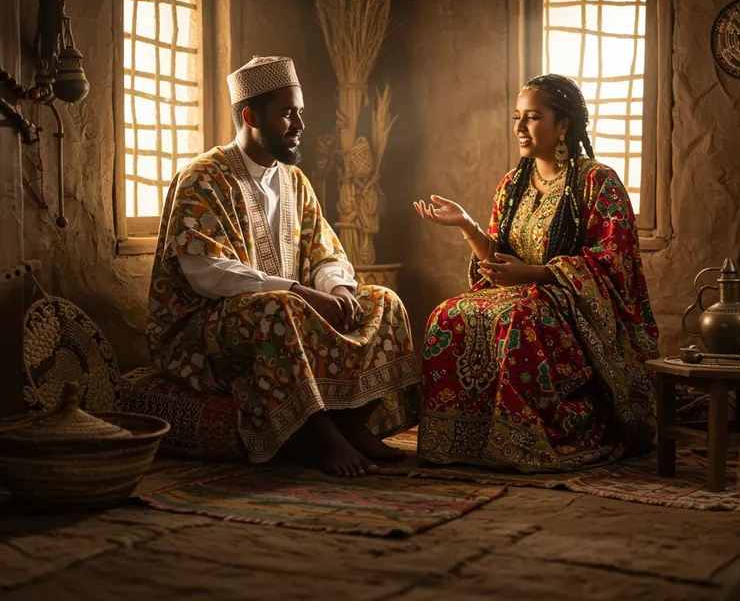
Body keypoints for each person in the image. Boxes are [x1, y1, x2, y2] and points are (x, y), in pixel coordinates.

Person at [146, 56, 420, 477]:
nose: (300, 124)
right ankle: (316, 431)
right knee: (279, 309)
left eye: (300, 112)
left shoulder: (294, 181)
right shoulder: (201, 178)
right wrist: (295, 291)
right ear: (250, 116)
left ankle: (353, 422)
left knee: (381, 300)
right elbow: (204, 271)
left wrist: (338, 289)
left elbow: (324, 251)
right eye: (288, 113)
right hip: (201, 333)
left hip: (289, 310)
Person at [413, 74, 659, 472]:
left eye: (532, 117)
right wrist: (466, 225)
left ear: (563, 125)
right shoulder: (512, 184)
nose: (520, 128)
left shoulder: (597, 182)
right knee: (447, 314)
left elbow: (614, 262)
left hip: (574, 306)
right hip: (522, 295)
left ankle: (533, 437)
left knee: (518, 318)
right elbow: (498, 257)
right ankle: (461, 438)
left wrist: (538, 274)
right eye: (517, 117)